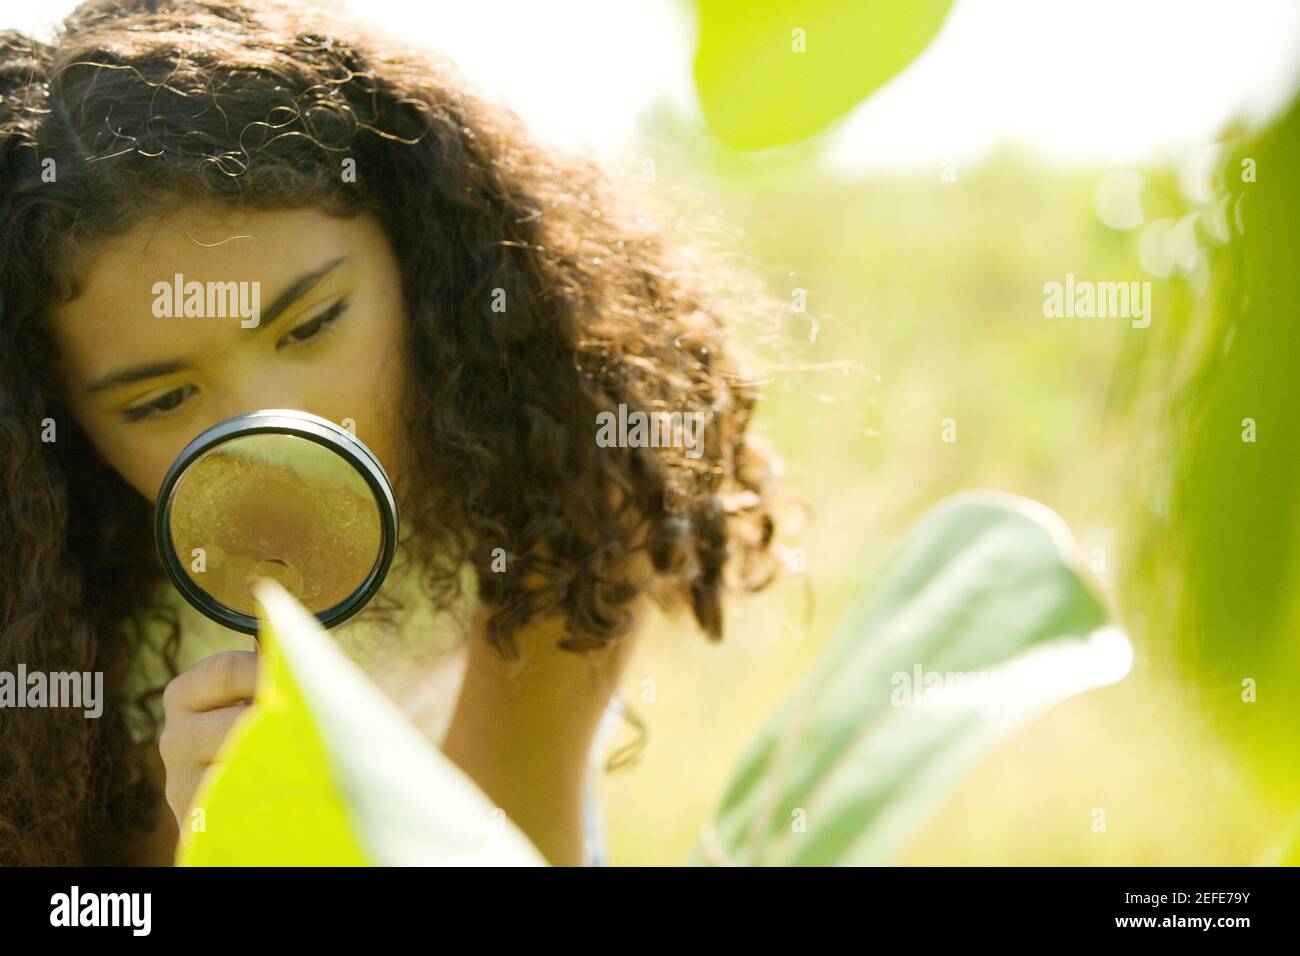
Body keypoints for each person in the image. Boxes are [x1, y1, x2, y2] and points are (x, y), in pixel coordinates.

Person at [0, 0, 780, 865]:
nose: (267, 434)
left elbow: (507, 846)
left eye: (309, 327)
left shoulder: (564, 481)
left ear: (416, 254)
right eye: (157, 402)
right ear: (63, 425)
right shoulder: (46, 615)